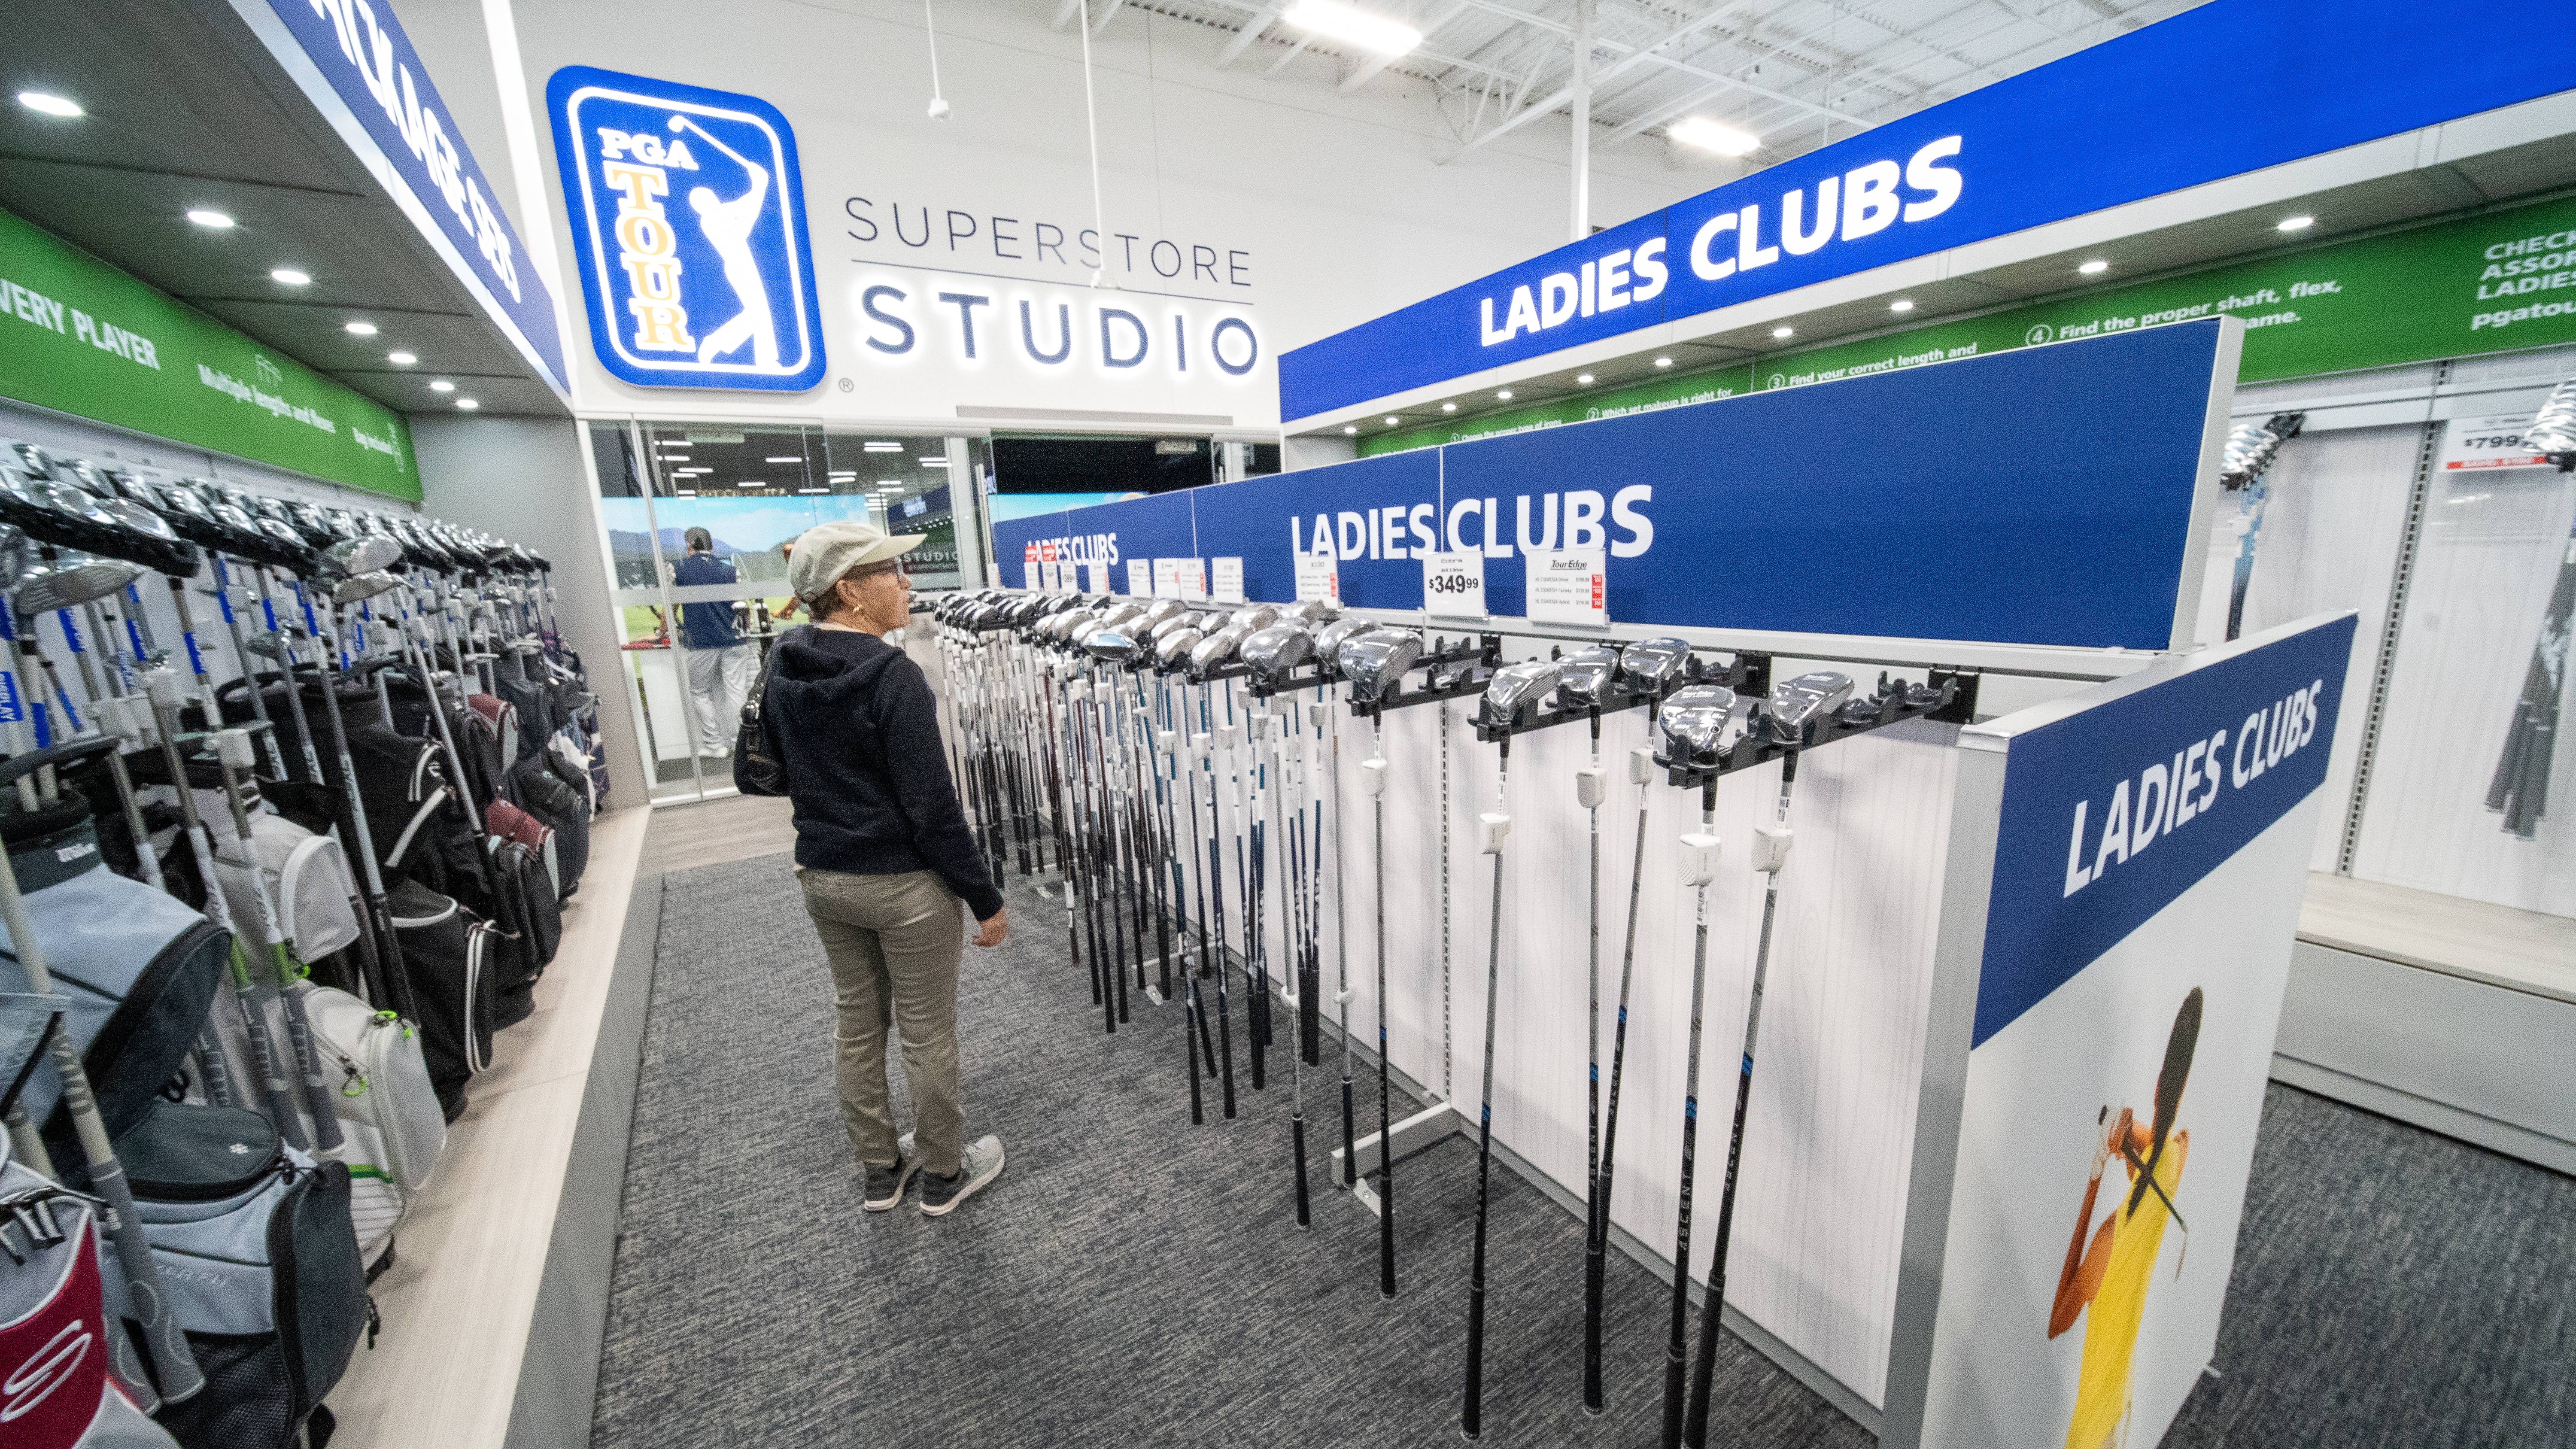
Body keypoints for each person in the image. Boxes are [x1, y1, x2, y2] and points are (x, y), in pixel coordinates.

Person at [763, 519, 1009, 1216]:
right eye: (891, 574)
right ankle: (943, 1173)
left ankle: (880, 1169)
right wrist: (985, 898)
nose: (907, 583)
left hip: (823, 876)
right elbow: (933, 811)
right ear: (850, 591)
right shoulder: (894, 677)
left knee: (858, 1024)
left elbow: (776, 768)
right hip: (904, 888)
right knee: (928, 1033)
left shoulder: (783, 661)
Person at [2048, 988, 2201, 1449]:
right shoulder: (2174, 1159)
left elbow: (2058, 1320)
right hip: (2120, 1402)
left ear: (2156, 1085)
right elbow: (2166, 1143)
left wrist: (2094, 1180)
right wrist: (2129, 1134)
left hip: (2091, 1429)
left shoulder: (2108, 1240)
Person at [671, 527, 754, 760]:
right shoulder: (730, 570)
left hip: (701, 641)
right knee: (737, 690)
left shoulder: (678, 569)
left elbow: (672, 604)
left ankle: (714, 744)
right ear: (712, 546)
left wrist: (664, 629)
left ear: (689, 546)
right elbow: (742, 606)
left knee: (699, 692)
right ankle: (741, 743)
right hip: (734, 639)